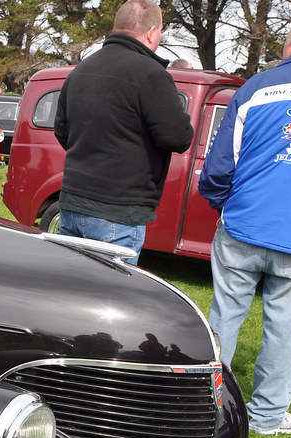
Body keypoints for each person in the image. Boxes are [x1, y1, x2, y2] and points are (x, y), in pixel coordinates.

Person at [198, 11, 291, 435]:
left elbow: (218, 167)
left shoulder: (255, 88)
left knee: (224, 317)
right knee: (284, 328)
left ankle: (206, 404)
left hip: (242, 223)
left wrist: (225, 204)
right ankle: (266, 416)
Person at [53, 0, 194, 265]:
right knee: (109, 300)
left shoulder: (81, 69)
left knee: (72, 293)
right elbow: (178, 137)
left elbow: (62, 131)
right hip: (118, 211)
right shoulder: (151, 74)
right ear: (152, 31)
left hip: (73, 202)